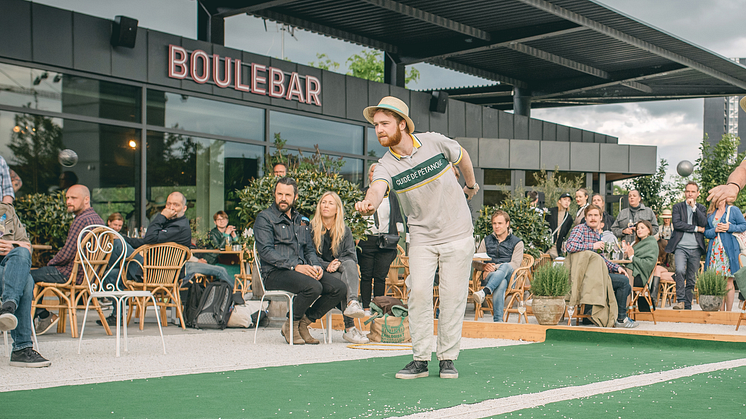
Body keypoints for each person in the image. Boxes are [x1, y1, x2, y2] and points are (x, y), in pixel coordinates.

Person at [355, 96, 478, 379]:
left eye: (384, 124)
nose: (379, 130)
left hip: (457, 232)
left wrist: (470, 186)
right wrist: (369, 202)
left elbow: (463, 156)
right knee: (419, 292)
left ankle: (447, 358)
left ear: (402, 124)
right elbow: (377, 187)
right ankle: (420, 359)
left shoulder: (433, 142)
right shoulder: (386, 164)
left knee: (451, 297)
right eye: (376, 125)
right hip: (421, 235)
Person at [255, 177, 346, 345]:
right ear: (274, 194)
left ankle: (303, 322)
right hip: (275, 273)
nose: (283, 198)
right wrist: (295, 266)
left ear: (295, 196)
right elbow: (266, 251)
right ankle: (290, 324)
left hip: (301, 270)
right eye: (279, 194)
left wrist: (316, 266)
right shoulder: (265, 218)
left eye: (288, 195)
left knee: (339, 288)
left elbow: (309, 249)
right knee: (313, 287)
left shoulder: (301, 220)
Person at [31, 184, 104, 334]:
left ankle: (43, 316)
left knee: (27, 276)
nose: (68, 201)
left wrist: (50, 264)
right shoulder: (98, 219)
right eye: (67, 198)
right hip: (88, 276)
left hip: (72, 274)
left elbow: (67, 254)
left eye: (73, 198)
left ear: (86, 199)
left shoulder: (81, 220)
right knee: (40, 273)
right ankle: (42, 316)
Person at [565, 204, 638, 328]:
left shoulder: (596, 234)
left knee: (623, 279)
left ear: (600, 218)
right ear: (586, 217)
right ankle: (620, 318)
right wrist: (592, 246)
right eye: (590, 215)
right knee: (624, 282)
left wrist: (617, 267)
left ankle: (592, 315)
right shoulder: (580, 229)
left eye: (595, 215)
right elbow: (570, 246)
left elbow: (601, 259)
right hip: (584, 277)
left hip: (595, 275)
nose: (593, 218)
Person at [310, 191, 368, 344]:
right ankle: (349, 327)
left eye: (330, 203)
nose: (326, 206)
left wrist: (337, 262)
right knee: (343, 282)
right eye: (323, 202)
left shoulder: (345, 230)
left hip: (339, 272)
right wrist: (326, 265)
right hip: (318, 273)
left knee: (349, 265)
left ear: (337, 209)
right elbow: (309, 256)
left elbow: (351, 256)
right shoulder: (311, 229)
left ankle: (352, 303)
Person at [0, 203, 52, 367]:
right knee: (26, 280)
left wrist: (12, 246)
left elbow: (26, 246)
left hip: (8, 268)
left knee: (22, 258)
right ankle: (21, 349)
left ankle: (8, 306)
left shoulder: (6, 211)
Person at [357, 163, 403, 316]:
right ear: (369, 175)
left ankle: (378, 307)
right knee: (366, 275)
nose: (375, 174)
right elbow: (355, 217)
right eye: (372, 171)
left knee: (380, 276)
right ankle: (365, 307)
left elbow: (396, 217)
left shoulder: (390, 195)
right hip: (367, 239)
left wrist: (398, 236)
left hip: (386, 240)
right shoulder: (361, 193)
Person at [472, 210, 524, 322]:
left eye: (500, 223)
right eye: (494, 223)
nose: (496, 226)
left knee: (505, 266)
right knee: (501, 282)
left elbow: (515, 264)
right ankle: (498, 322)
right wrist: (483, 267)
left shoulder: (517, 242)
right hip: (490, 276)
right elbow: (475, 262)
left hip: (510, 277)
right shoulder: (486, 241)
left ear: (507, 223)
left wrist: (495, 267)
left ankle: (484, 292)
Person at [664, 182, 707, 310]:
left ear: (697, 194)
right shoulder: (678, 207)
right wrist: (696, 228)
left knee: (691, 278)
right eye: (688, 191)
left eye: (693, 192)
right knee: (679, 270)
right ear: (685, 192)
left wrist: (694, 208)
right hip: (680, 246)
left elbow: (704, 223)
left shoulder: (701, 208)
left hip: (695, 248)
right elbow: (677, 224)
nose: (690, 194)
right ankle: (680, 300)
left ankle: (687, 305)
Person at [704, 198, 746, 311]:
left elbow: (743, 225)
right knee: (719, 282)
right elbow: (706, 232)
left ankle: (729, 311)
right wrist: (715, 230)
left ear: (726, 198)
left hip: (729, 251)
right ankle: (721, 311)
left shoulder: (734, 210)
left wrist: (729, 227)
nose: (719, 200)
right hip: (715, 251)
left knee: (729, 281)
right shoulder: (710, 214)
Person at [621, 220, 660, 304]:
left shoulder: (651, 243)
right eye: (638, 228)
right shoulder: (636, 243)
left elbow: (648, 264)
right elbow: (628, 258)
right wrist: (625, 251)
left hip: (640, 276)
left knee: (620, 280)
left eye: (642, 228)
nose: (639, 230)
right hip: (632, 271)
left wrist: (632, 257)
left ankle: (622, 309)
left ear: (649, 230)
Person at [545, 193, 573, 259]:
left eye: (569, 201)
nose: (567, 202)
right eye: (565, 199)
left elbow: (564, 234)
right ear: (559, 201)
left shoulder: (569, 218)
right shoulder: (550, 212)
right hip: (546, 244)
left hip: (556, 247)